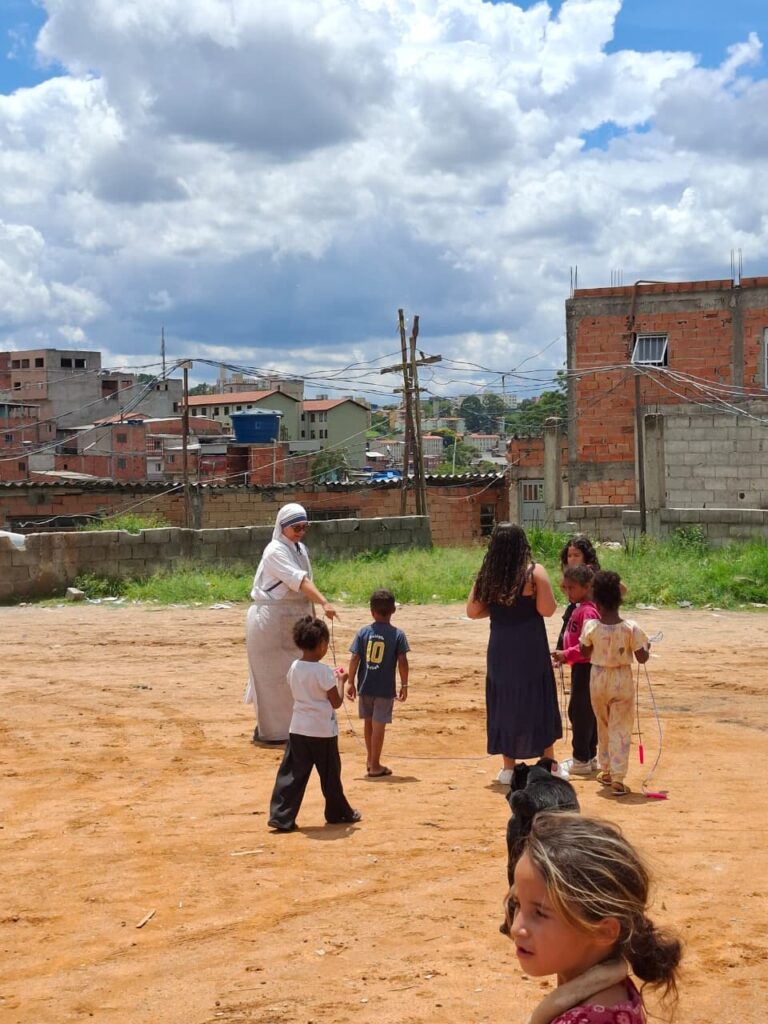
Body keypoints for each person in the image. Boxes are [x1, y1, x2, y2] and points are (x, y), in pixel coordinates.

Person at [506, 812, 681, 1024]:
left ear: (603, 930)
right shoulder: (613, 990)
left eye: (540, 913)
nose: (516, 928)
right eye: (517, 904)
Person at [466, 522, 562, 787]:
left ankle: (508, 768)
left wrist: (499, 610)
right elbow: (547, 609)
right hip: (530, 646)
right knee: (537, 698)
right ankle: (548, 763)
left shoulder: (488, 575)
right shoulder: (534, 573)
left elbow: (473, 611)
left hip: (501, 647)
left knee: (505, 701)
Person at [244, 503, 338, 744]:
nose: (300, 531)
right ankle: (272, 732)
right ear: (282, 526)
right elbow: (301, 581)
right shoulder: (275, 550)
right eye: (296, 527)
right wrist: (325, 603)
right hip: (271, 621)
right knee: (272, 680)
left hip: (294, 619)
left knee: (296, 677)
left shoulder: (300, 549)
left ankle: (294, 729)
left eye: (304, 527)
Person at [268, 616, 361, 832]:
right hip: (322, 732)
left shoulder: (295, 667)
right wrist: (341, 679)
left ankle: (281, 816)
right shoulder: (322, 672)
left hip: (298, 729)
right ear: (321, 645)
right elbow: (336, 702)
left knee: (291, 774)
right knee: (330, 776)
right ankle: (337, 812)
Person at [579, 571, 649, 797]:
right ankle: (618, 777)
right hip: (621, 679)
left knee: (603, 724)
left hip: (598, 678)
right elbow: (642, 657)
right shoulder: (631, 628)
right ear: (620, 599)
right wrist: (647, 648)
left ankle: (606, 769)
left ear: (596, 601)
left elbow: (584, 650)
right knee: (621, 728)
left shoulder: (591, 626)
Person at [346, 589, 409, 778]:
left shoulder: (363, 632)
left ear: (372, 611)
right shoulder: (397, 634)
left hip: (365, 686)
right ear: (393, 610)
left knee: (369, 724)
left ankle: (370, 759)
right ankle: (375, 765)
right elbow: (403, 662)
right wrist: (404, 685)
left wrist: (350, 682)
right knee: (379, 726)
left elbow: (354, 658)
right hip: (384, 689)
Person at [552, 565, 600, 776]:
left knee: (580, 713)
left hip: (585, 667)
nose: (568, 592)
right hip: (580, 667)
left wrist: (567, 654)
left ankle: (581, 759)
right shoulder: (580, 607)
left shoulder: (588, 611)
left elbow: (589, 646)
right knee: (585, 712)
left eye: (571, 588)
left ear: (587, 586)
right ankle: (589, 756)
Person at [555, 535, 601, 653]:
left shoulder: (590, 571)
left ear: (585, 556)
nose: (572, 559)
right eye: (569, 556)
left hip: (589, 609)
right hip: (576, 607)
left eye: (577, 555)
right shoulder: (571, 573)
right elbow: (562, 586)